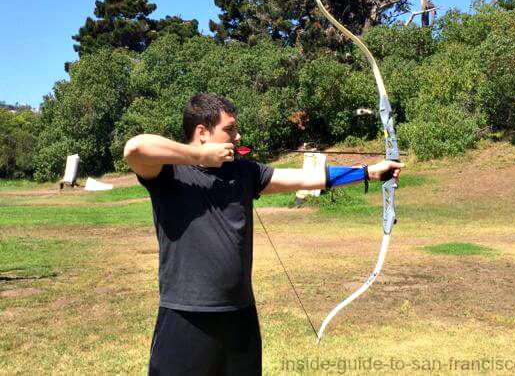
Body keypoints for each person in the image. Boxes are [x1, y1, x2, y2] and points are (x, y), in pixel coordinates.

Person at [123, 93, 404, 375]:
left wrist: (368, 172)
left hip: (239, 314)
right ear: (202, 132)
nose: (238, 134)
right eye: (230, 128)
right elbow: (134, 148)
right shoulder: (168, 173)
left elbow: (306, 178)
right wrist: (198, 155)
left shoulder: (244, 172)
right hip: (186, 315)